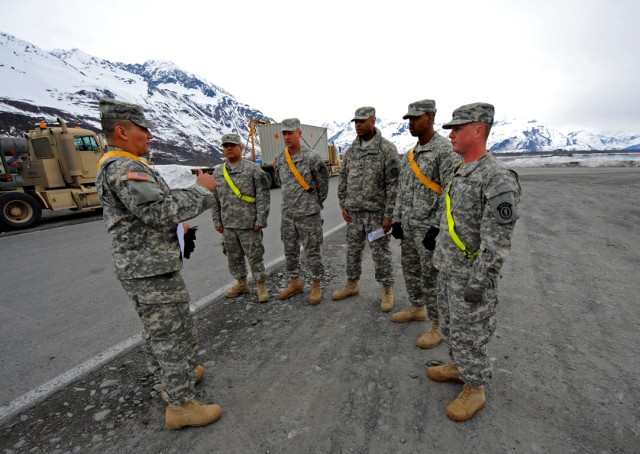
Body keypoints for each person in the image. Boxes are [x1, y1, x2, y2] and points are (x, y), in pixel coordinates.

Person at [96, 98, 223, 430]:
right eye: (143, 128)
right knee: (170, 332)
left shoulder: (122, 164)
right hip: (150, 269)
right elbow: (160, 211)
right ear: (121, 131)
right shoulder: (126, 167)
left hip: (144, 266)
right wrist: (203, 191)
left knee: (159, 329)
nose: (149, 135)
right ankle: (181, 405)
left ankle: (172, 378)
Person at [426, 102, 521, 422]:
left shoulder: (497, 178)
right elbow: (451, 215)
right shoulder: (460, 168)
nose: (450, 133)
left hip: (470, 277)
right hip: (448, 268)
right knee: (452, 326)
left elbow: (497, 243)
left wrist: (479, 283)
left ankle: (475, 387)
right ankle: (459, 366)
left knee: (471, 333)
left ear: (478, 130)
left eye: (458, 128)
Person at [390, 100, 461, 348]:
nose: (410, 123)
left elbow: (450, 193)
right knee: (411, 272)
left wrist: (438, 227)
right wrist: (397, 218)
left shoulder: (444, 151)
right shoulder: (410, 154)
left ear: (430, 118)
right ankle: (417, 307)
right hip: (409, 227)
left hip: (428, 230)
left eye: (415, 118)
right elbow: (402, 189)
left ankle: (439, 325)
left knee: (432, 279)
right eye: (408, 119)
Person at [332, 106, 399, 312]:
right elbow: (343, 178)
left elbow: (394, 185)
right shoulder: (352, 150)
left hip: (376, 215)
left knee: (380, 254)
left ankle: (387, 289)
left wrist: (389, 215)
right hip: (355, 214)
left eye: (362, 121)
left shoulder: (386, 149)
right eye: (355, 122)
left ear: (373, 121)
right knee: (352, 251)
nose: (357, 125)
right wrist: (343, 203)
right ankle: (352, 284)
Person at [273, 118, 329, 305]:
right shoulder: (280, 158)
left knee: (312, 252)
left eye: (290, 133)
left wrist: (313, 204)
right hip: (288, 214)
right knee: (290, 251)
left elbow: (323, 185)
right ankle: (295, 282)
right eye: (284, 134)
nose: (287, 137)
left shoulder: (312, 158)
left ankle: (316, 284)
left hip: (308, 215)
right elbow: (280, 182)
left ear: (299, 133)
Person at [212, 133, 271, 303]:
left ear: (240, 148)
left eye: (232, 145)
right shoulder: (218, 172)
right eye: (225, 146)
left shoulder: (253, 169)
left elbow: (263, 196)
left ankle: (261, 286)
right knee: (233, 257)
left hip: (249, 225)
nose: (228, 148)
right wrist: (217, 221)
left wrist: (261, 219)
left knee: (255, 256)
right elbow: (214, 199)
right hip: (228, 225)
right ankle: (241, 283)